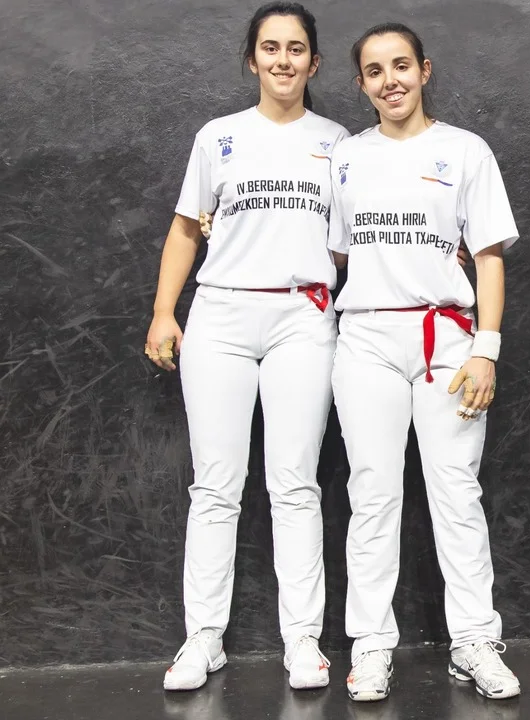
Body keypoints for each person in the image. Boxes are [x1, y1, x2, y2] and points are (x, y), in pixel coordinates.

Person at [145, 2, 349, 692]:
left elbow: (355, 239)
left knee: (294, 483)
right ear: (252, 59)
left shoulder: (338, 143)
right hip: (221, 316)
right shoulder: (218, 137)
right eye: (270, 47)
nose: (283, 60)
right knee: (215, 485)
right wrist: (163, 313)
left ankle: (303, 640)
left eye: (296, 48)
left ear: (314, 62)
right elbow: (185, 229)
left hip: (302, 319)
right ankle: (203, 638)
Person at [328, 23, 521, 702]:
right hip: (366, 341)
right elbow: (338, 251)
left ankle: (473, 640)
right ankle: (370, 645)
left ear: (424, 70)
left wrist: (486, 348)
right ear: (361, 84)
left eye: (401, 65)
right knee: (372, 494)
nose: (391, 81)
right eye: (375, 71)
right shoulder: (345, 157)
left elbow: (488, 257)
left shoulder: (466, 151)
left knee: (455, 492)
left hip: (449, 341)